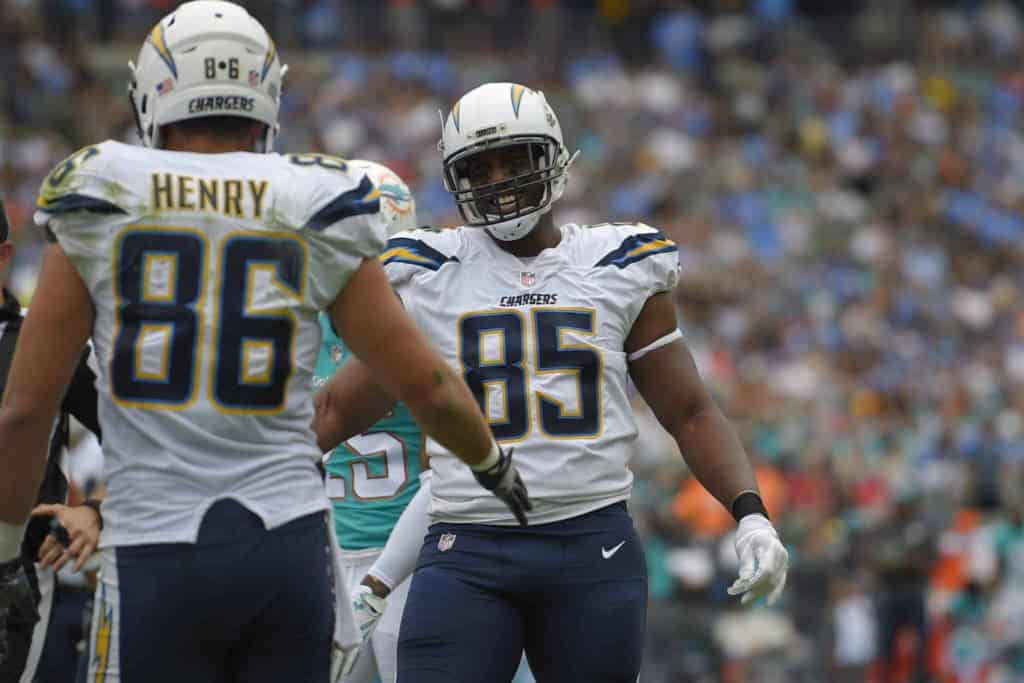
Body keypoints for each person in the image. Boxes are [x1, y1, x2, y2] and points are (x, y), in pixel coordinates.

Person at [0, 5, 528, 682]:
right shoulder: (311, 195)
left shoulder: (103, 188)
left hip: (155, 545)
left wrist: (9, 552)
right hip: (286, 544)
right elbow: (424, 380)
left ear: (152, 92)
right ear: (267, 93)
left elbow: (24, 408)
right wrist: (491, 462)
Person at [315, 82, 790, 683]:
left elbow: (691, 412)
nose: (499, 179)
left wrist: (751, 514)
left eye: (514, 159)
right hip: (467, 546)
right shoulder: (428, 272)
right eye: (479, 167)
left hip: (592, 547)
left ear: (553, 158)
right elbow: (335, 411)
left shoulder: (617, 263)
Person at [312, 159, 427, 683]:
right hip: (325, 558)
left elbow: (445, 470)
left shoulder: (425, 324)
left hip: (410, 555)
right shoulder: (294, 326)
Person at [0, 199, 102, 683]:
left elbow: (146, 441)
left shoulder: (47, 342)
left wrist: (97, 509)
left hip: (15, 573)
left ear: (2, 256)